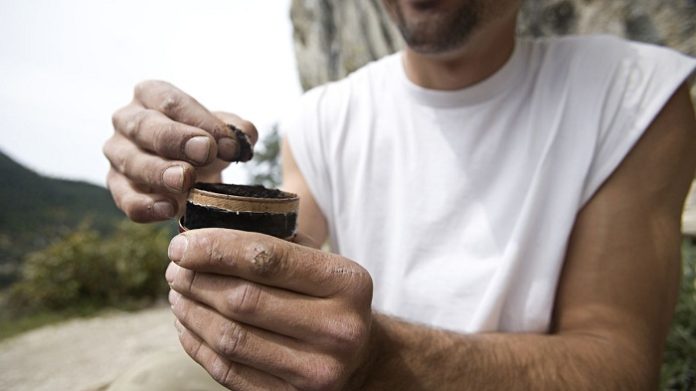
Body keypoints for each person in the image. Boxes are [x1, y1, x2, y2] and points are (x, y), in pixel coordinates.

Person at [103, 0, 696, 389]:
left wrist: (380, 359)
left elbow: (618, 364)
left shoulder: (637, 96)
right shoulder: (322, 119)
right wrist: (199, 192)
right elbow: (271, 257)